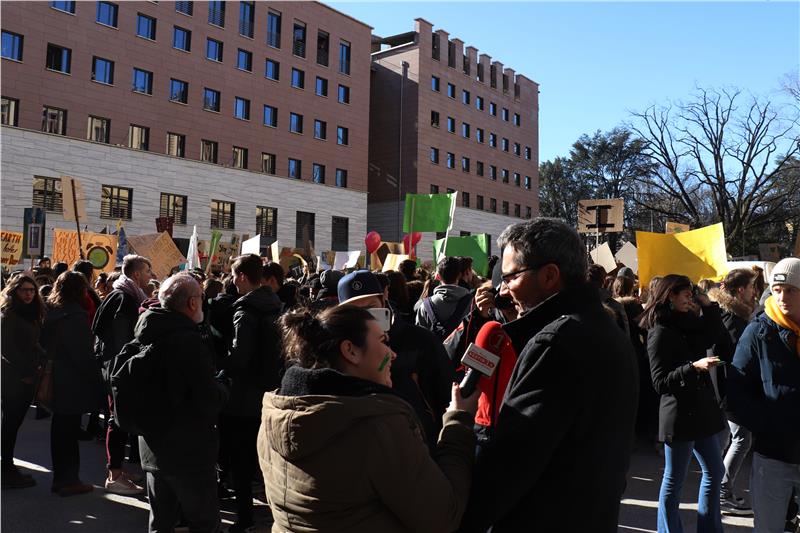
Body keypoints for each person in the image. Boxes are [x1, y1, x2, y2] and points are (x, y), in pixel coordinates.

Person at [459, 218, 639, 532]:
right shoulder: (604, 327)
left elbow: (512, 464)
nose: (503, 289)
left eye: (511, 277)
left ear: (549, 275)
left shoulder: (555, 343)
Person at [258, 305, 478, 532]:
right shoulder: (377, 427)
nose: (393, 354)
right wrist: (457, 423)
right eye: (383, 341)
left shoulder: (275, 413)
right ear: (350, 351)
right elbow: (442, 516)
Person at [133, 273, 230, 533]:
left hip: (152, 447)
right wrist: (223, 386)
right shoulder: (188, 341)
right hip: (188, 451)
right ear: (192, 303)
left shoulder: (145, 330)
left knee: (160, 522)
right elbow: (208, 399)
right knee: (205, 523)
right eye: (201, 297)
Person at [640, 274, 732, 533]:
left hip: (701, 412)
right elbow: (660, 383)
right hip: (679, 416)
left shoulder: (688, 322)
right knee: (674, 480)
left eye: (692, 295)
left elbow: (714, 335)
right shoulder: (659, 332)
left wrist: (708, 305)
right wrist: (693, 368)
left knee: (715, 471)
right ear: (670, 295)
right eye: (686, 295)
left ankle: (710, 528)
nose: (690, 299)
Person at [336, 270, 454, 453]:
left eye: (371, 308)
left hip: (423, 449)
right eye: (355, 313)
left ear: (383, 300)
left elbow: (445, 395)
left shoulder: (421, 340)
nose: (365, 319)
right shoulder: (341, 351)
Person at [727, 258, 800, 533]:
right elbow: (736, 389)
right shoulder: (758, 331)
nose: (782, 297)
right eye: (777, 289)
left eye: (790, 290)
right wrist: (768, 425)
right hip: (773, 456)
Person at [222, 254, 283, 532]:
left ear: (243, 277)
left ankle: (245, 519)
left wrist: (220, 365)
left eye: (234, 276)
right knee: (267, 459)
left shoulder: (245, 311)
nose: (232, 281)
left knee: (241, 462)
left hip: (244, 397)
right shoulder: (276, 306)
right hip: (271, 392)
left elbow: (239, 357)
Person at [92, 254, 153, 495]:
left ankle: (117, 469)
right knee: (116, 421)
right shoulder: (124, 299)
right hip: (118, 371)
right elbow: (121, 341)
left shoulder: (121, 294)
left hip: (112, 368)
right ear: (136, 274)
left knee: (118, 420)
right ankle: (114, 476)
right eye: (147, 271)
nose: (150, 276)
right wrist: (124, 370)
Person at [42, 272, 105, 496]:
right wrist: (97, 381)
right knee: (68, 433)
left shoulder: (52, 311)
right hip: (71, 381)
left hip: (56, 377)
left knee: (60, 431)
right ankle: (68, 480)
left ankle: (61, 478)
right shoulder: (75, 316)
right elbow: (82, 355)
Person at [709, 268, 758, 515]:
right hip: (731, 391)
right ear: (740, 290)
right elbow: (733, 358)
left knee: (731, 440)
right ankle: (722, 492)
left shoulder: (729, 314)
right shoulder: (732, 318)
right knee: (740, 439)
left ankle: (718, 491)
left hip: (727, 391)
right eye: (751, 287)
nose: (754, 292)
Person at [1, 274, 46, 489]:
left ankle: (8, 466)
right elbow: (6, 349)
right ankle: (6, 469)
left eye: (31, 290)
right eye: (24, 290)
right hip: (13, 378)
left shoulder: (32, 313)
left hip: (30, 375)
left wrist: (42, 357)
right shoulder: (8, 315)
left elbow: (33, 341)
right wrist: (25, 372)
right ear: (14, 292)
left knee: (14, 423)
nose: (29, 294)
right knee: (10, 424)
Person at [416, 256, 473, 340]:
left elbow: (419, 336)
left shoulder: (424, 305)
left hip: (433, 348)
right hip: (462, 348)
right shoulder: (472, 303)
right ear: (459, 275)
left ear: (438, 276)